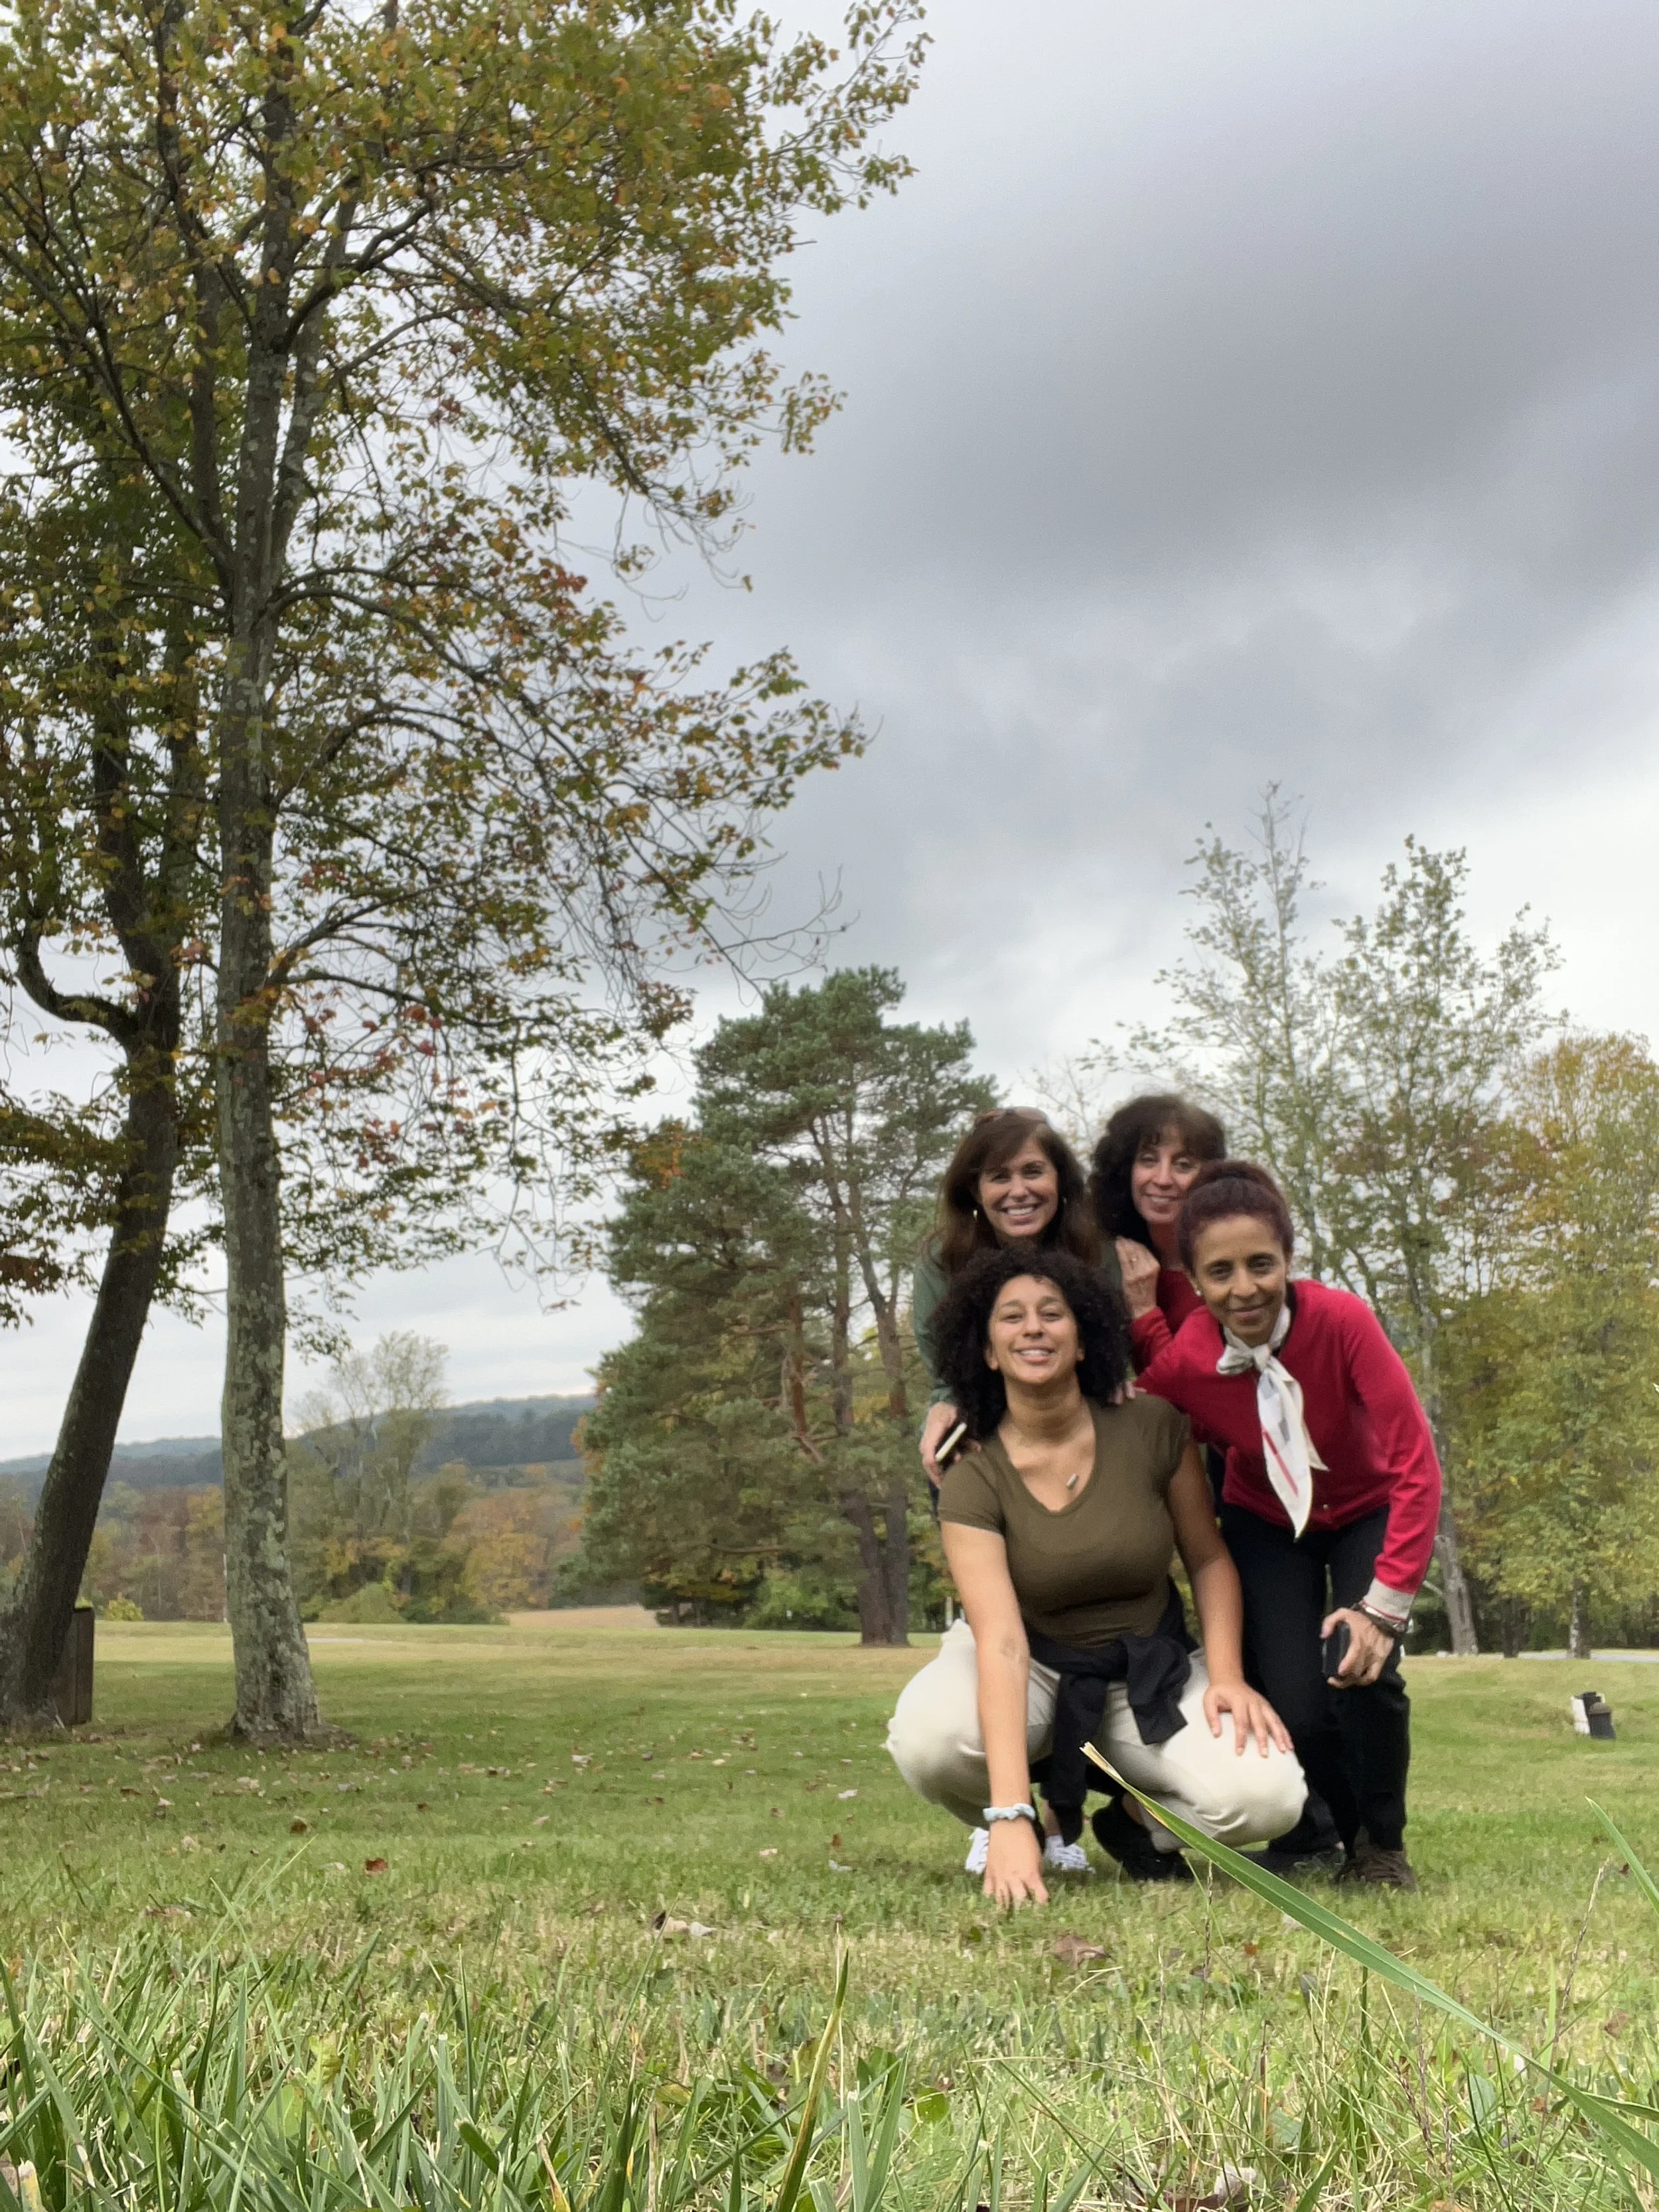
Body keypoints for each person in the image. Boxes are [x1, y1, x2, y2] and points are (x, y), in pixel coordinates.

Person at [887, 1245, 1305, 1905]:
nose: (1033, 1328)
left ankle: (1135, 1821)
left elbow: (1208, 1557)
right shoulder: (971, 1468)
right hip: (1030, 1669)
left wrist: (1226, 1677)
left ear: (1082, 1340)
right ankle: (1023, 1817)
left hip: (1144, 1667)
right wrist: (1007, 1814)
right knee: (929, 1740)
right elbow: (1000, 1641)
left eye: (1052, 1314)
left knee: (1268, 1800)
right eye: (1012, 1318)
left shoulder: (1151, 1428)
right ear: (988, 1352)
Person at [1136, 1161, 1441, 1889]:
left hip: (1365, 1505)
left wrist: (1384, 1609)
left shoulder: (1342, 1322)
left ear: (1289, 1261)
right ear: (1196, 1280)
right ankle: (1335, 1833)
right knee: (1299, 1700)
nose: (1243, 1288)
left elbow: (1416, 1468)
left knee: (1360, 1665)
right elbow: (1129, 1420)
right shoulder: (1187, 1361)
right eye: (1220, 1272)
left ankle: (1382, 1847)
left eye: (1260, 1264)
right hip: (1266, 1520)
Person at [913, 1108, 1110, 1485]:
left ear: (1060, 1179)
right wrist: (945, 1404)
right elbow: (943, 1371)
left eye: (1033, 1171)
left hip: (1087, 1423)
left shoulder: (1096, 1248)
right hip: (986, 1431)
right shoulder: (942, 1261)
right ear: (975, 1190)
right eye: (999, 1177)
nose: (1018, 1191)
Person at [1090, 1092, 1226, 1357]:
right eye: (1148, 1160)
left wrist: (1144, 1312)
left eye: (1183, 1165)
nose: (1163, 1179)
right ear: (1125, 1170)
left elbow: (1196, 1383)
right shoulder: (1104, 1259)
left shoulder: (1226, 1263)